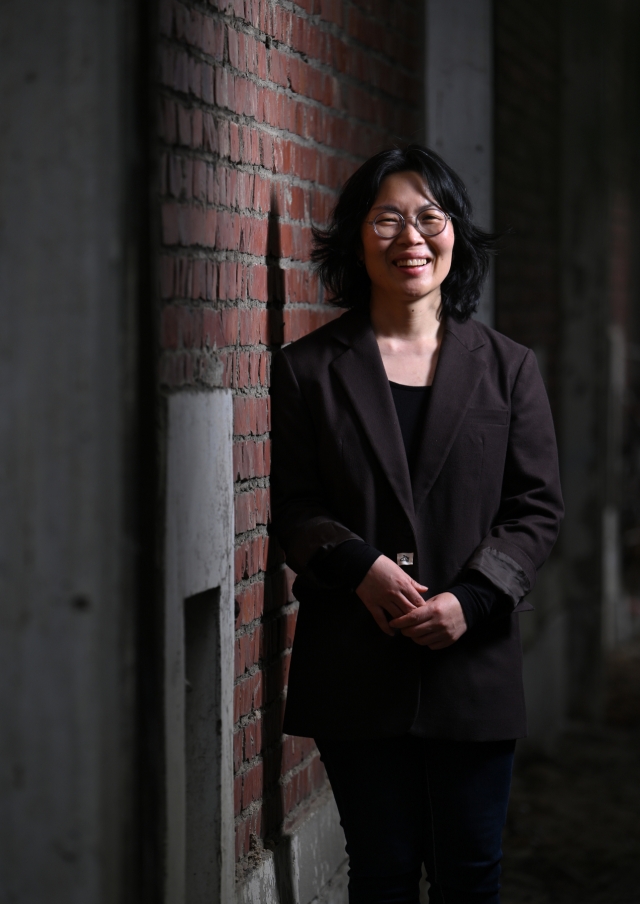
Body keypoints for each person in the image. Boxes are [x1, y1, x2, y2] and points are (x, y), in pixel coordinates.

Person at [269, 145, 563, 904]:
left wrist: (473, 597)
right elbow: (295, 508)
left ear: (454, 234)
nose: (411, 239)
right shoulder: (307, 368)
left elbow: (535, 510)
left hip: (475, 665)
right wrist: (359, 564)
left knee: (471, 876)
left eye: (429, 218)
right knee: (382, 875)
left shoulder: (509, 369)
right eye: (387, 219)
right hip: (355, 666)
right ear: (356, 237)